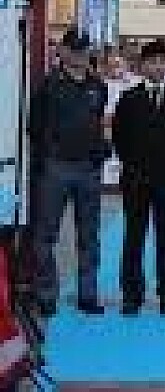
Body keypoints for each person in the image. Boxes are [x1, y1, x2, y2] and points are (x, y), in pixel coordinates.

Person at [28, 29, 109, 317]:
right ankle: (46, 293)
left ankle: (88, 293)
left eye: (83, 49)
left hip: (89, 169)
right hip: (57, 168)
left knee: (89, 236)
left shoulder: (98, 86)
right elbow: (34, 127)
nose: (78, 55)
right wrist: (48, 156)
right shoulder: (48, 86)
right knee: (45, 235)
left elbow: (99, 123)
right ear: (62, 52)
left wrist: (101, 150)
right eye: (73, 49)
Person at [111, 40, 165, 317]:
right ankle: (131, 295)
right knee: (133, 237)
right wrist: (133, 165)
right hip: (135, 179)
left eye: (163, 61)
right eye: (152, 61)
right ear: (142, 65)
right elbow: (119, 137)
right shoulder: (129, 98)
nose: (158, 66)